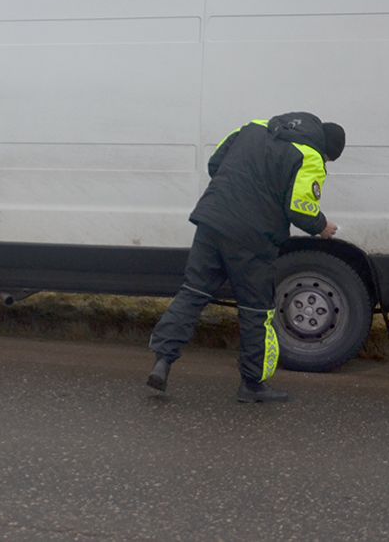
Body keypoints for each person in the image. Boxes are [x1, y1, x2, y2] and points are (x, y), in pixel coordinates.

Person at [146, 112, 345, 403]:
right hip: (253, 238)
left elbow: (215, 163)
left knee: (193, 292)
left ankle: (162, 362)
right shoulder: (311, 156)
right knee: (256, 311)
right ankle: (252, 385)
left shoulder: (254, 128)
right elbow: (300, 209)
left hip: (213, 221)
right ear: (326, 150)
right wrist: (321, 226)